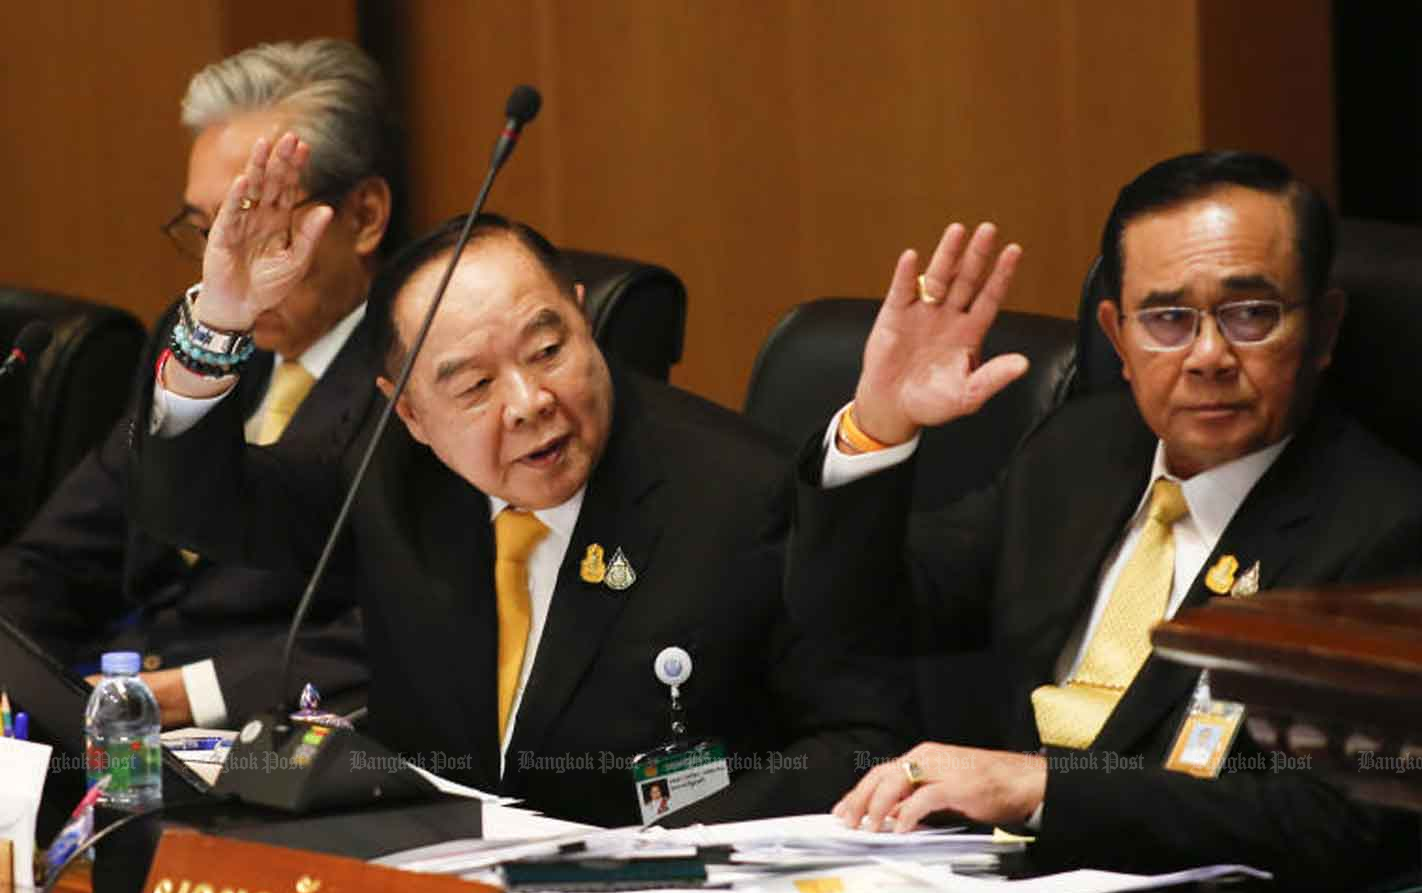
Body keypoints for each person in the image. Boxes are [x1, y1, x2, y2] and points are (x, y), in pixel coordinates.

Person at [130, 133, 905, 827]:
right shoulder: (385, 468)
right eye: (472, 387)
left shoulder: (737, 491)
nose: (531, 404)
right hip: (432, 884)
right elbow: (197, 505)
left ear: (582, 317)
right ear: (408, 413)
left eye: (547, 350)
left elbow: (861, 741)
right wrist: (222, 321)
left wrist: (677, 845)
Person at [786, 151, 1422, 893]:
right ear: (1116, 336)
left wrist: (1041, 788)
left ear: (1324, 327)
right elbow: (856, 618)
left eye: (1250, 314)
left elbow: (1331, 819)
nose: (1209, 356)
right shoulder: (1077, 454)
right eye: (1168, 319)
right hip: (983, 888)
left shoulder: (1393, 533)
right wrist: (879, 428)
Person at [0, 39, 394, 728]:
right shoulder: (194, 345)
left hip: (277, 734)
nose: (223, 263)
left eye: (256, 224)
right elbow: (55, 557)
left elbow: (407, 631)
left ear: (363, 217)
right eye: (203, 227)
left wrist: (177, 695)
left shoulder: (423, 372)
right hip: (112, 714)